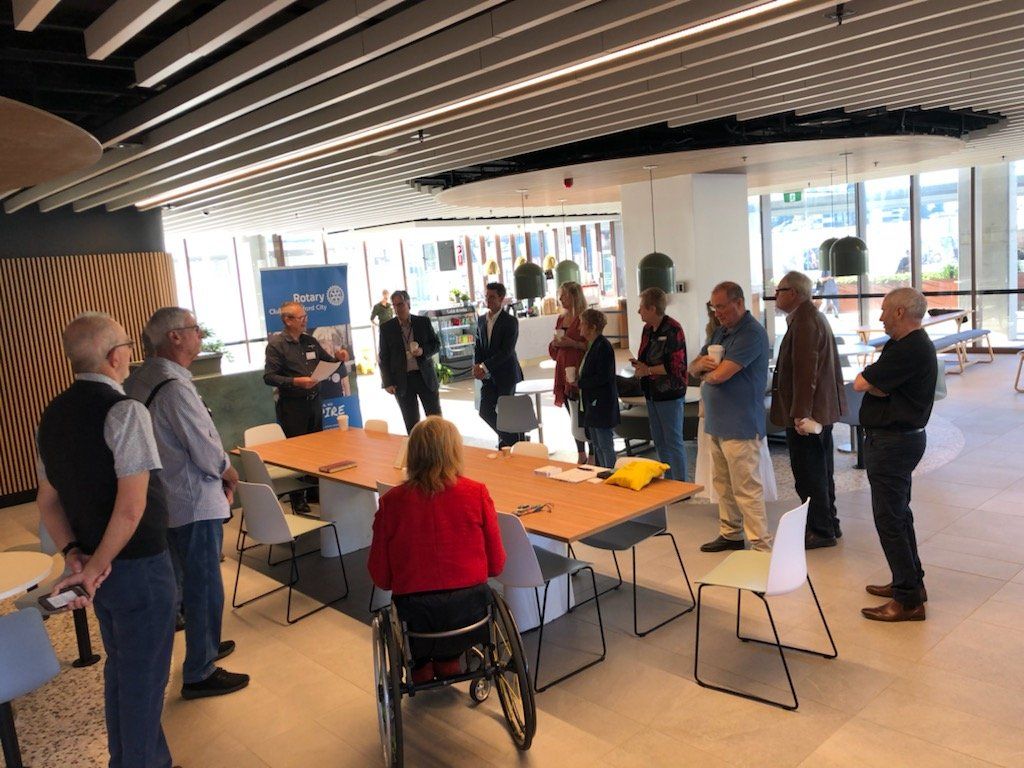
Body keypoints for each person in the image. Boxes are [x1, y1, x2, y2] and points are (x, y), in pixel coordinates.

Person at [36, 313, 177, 768]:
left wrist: (76, 556)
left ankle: (141, 758)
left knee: (124, 671)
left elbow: (47, 502)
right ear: (116, 356)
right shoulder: (125, 411)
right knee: (144, 682)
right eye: (128, 347)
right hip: (138, 568)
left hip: (102, 571)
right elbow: (132, 507)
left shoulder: (52, 415)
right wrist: (94, 567)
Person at [125, 308, 250, 700]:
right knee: (204, 585)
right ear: (174, 337)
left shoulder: (140, 379)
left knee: (186, 582)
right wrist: (229, 472)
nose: (200, 335)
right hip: (193, 501)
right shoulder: (174, 388)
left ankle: (205, 644)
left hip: (164, 499)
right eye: (195, 329)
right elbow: (204, 447)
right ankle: (200, 670)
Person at [367, 416, 506, 683]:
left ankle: (421, 666)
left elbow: (380, 577)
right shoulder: (476, 493)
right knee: (456, 612)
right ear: (455, 452)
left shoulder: (391, 503)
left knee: (416, 619)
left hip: (415, 617)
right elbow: (497, 564)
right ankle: (449, 659)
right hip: (470, 613)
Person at [855, 288, 936, 622]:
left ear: (900, 312)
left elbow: (861, 382)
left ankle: (908, 600)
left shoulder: (910, 348)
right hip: (897, 441)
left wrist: (879, 385)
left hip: (894, 443)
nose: (881, 316)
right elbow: (874, 383)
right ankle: (911, 582)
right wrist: (881, 385)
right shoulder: (902, 344)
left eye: (885, 309)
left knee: (890, 519)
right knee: (899, 515)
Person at [690, 281, 772, 552]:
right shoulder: (720, 332)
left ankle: (760, 546)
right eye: (714, 308)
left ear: (739, 302)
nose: (717, 313)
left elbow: (721, 375)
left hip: (741, 424)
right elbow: (693, 367)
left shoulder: (752, 333)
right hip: (717, 422)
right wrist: (700, 367)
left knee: (746, 488)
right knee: (723, 484)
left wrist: (705, 372)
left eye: (722, 307)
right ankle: (731, 534)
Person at [769, 272, 846, 549]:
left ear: (794, 293)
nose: (775, 295)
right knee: (820, 471)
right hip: (818, 411)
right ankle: (828, 523)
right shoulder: (810, 317)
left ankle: (820, 530)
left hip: (808, 415)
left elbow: (806, 372)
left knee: (809, 474)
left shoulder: (804, 321)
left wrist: (801, 414)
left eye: (779, 290)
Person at [263, 300, 348, 513]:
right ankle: (297, 497)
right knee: (297, 453)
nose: (305, 321)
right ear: (287, 320)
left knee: (316, 450)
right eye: (301, 318)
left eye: (305, 317)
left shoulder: (310, 341)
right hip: (293, 407)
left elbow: (328, 362)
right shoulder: (276, 345)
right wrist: (295, 381)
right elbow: (269, 377)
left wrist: (338, 358)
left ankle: (313, 490)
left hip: (314, 403)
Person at [631, 287, 688, 481]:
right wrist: (640, 366)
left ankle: (681, 485)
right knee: (659, 441)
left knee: (673, 441)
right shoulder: (647, 330)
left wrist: (648, 370)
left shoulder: (673, 329)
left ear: (652, 308)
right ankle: (669, 481)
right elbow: (645, 357)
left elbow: (676, 366)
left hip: (669, 393)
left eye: (641, 307)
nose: (638, 311)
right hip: (651, 392)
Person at [378, 289, 442, 433]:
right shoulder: (387, 328)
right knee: (412, 423)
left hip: (424, 377)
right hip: (402, 381)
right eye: (394, 305)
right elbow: (383, 357)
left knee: (435, 421)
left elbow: (436, 344)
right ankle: (416, 447)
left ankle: (439, 446)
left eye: (400, 304)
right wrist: (387, 382)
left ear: (408, 303)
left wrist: (423, 351)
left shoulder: (423, 322)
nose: (397, 308)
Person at [474, 282, 525, 448]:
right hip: (488, 376)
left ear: (501, 298)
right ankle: (516, 441)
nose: (488, 300)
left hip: (506, 374)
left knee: (505, 414)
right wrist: (477, 365)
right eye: (486, 296)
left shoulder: (510, 322)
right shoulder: (481, 320)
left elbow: (506, 351)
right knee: (484, 411)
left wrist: (484, 366)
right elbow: (478, 345)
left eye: (492, 297)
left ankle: (509, 443)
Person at [572, 308, 620, 469]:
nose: (579, 327)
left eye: (582, 324)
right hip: (592, 402)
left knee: (605, 444)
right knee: (598, 445)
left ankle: (610, 472)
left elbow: (603, 377)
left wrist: (580, 383)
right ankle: (603, 471)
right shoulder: (593, 345)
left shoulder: (603, 347)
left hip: (601, 403)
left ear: (592, 327)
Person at [548, 281, 589, 463]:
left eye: (564, 295)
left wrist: (573, 344)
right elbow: (554, 348)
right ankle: (581, 453)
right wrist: (554, 344)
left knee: (584, 412)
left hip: (579, 366)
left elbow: (591, 344)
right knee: (572, 414)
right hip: (563, 369)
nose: (561, 299)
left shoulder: (584, 318)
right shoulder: (561, 319)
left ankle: (592, 452)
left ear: (574, 296)